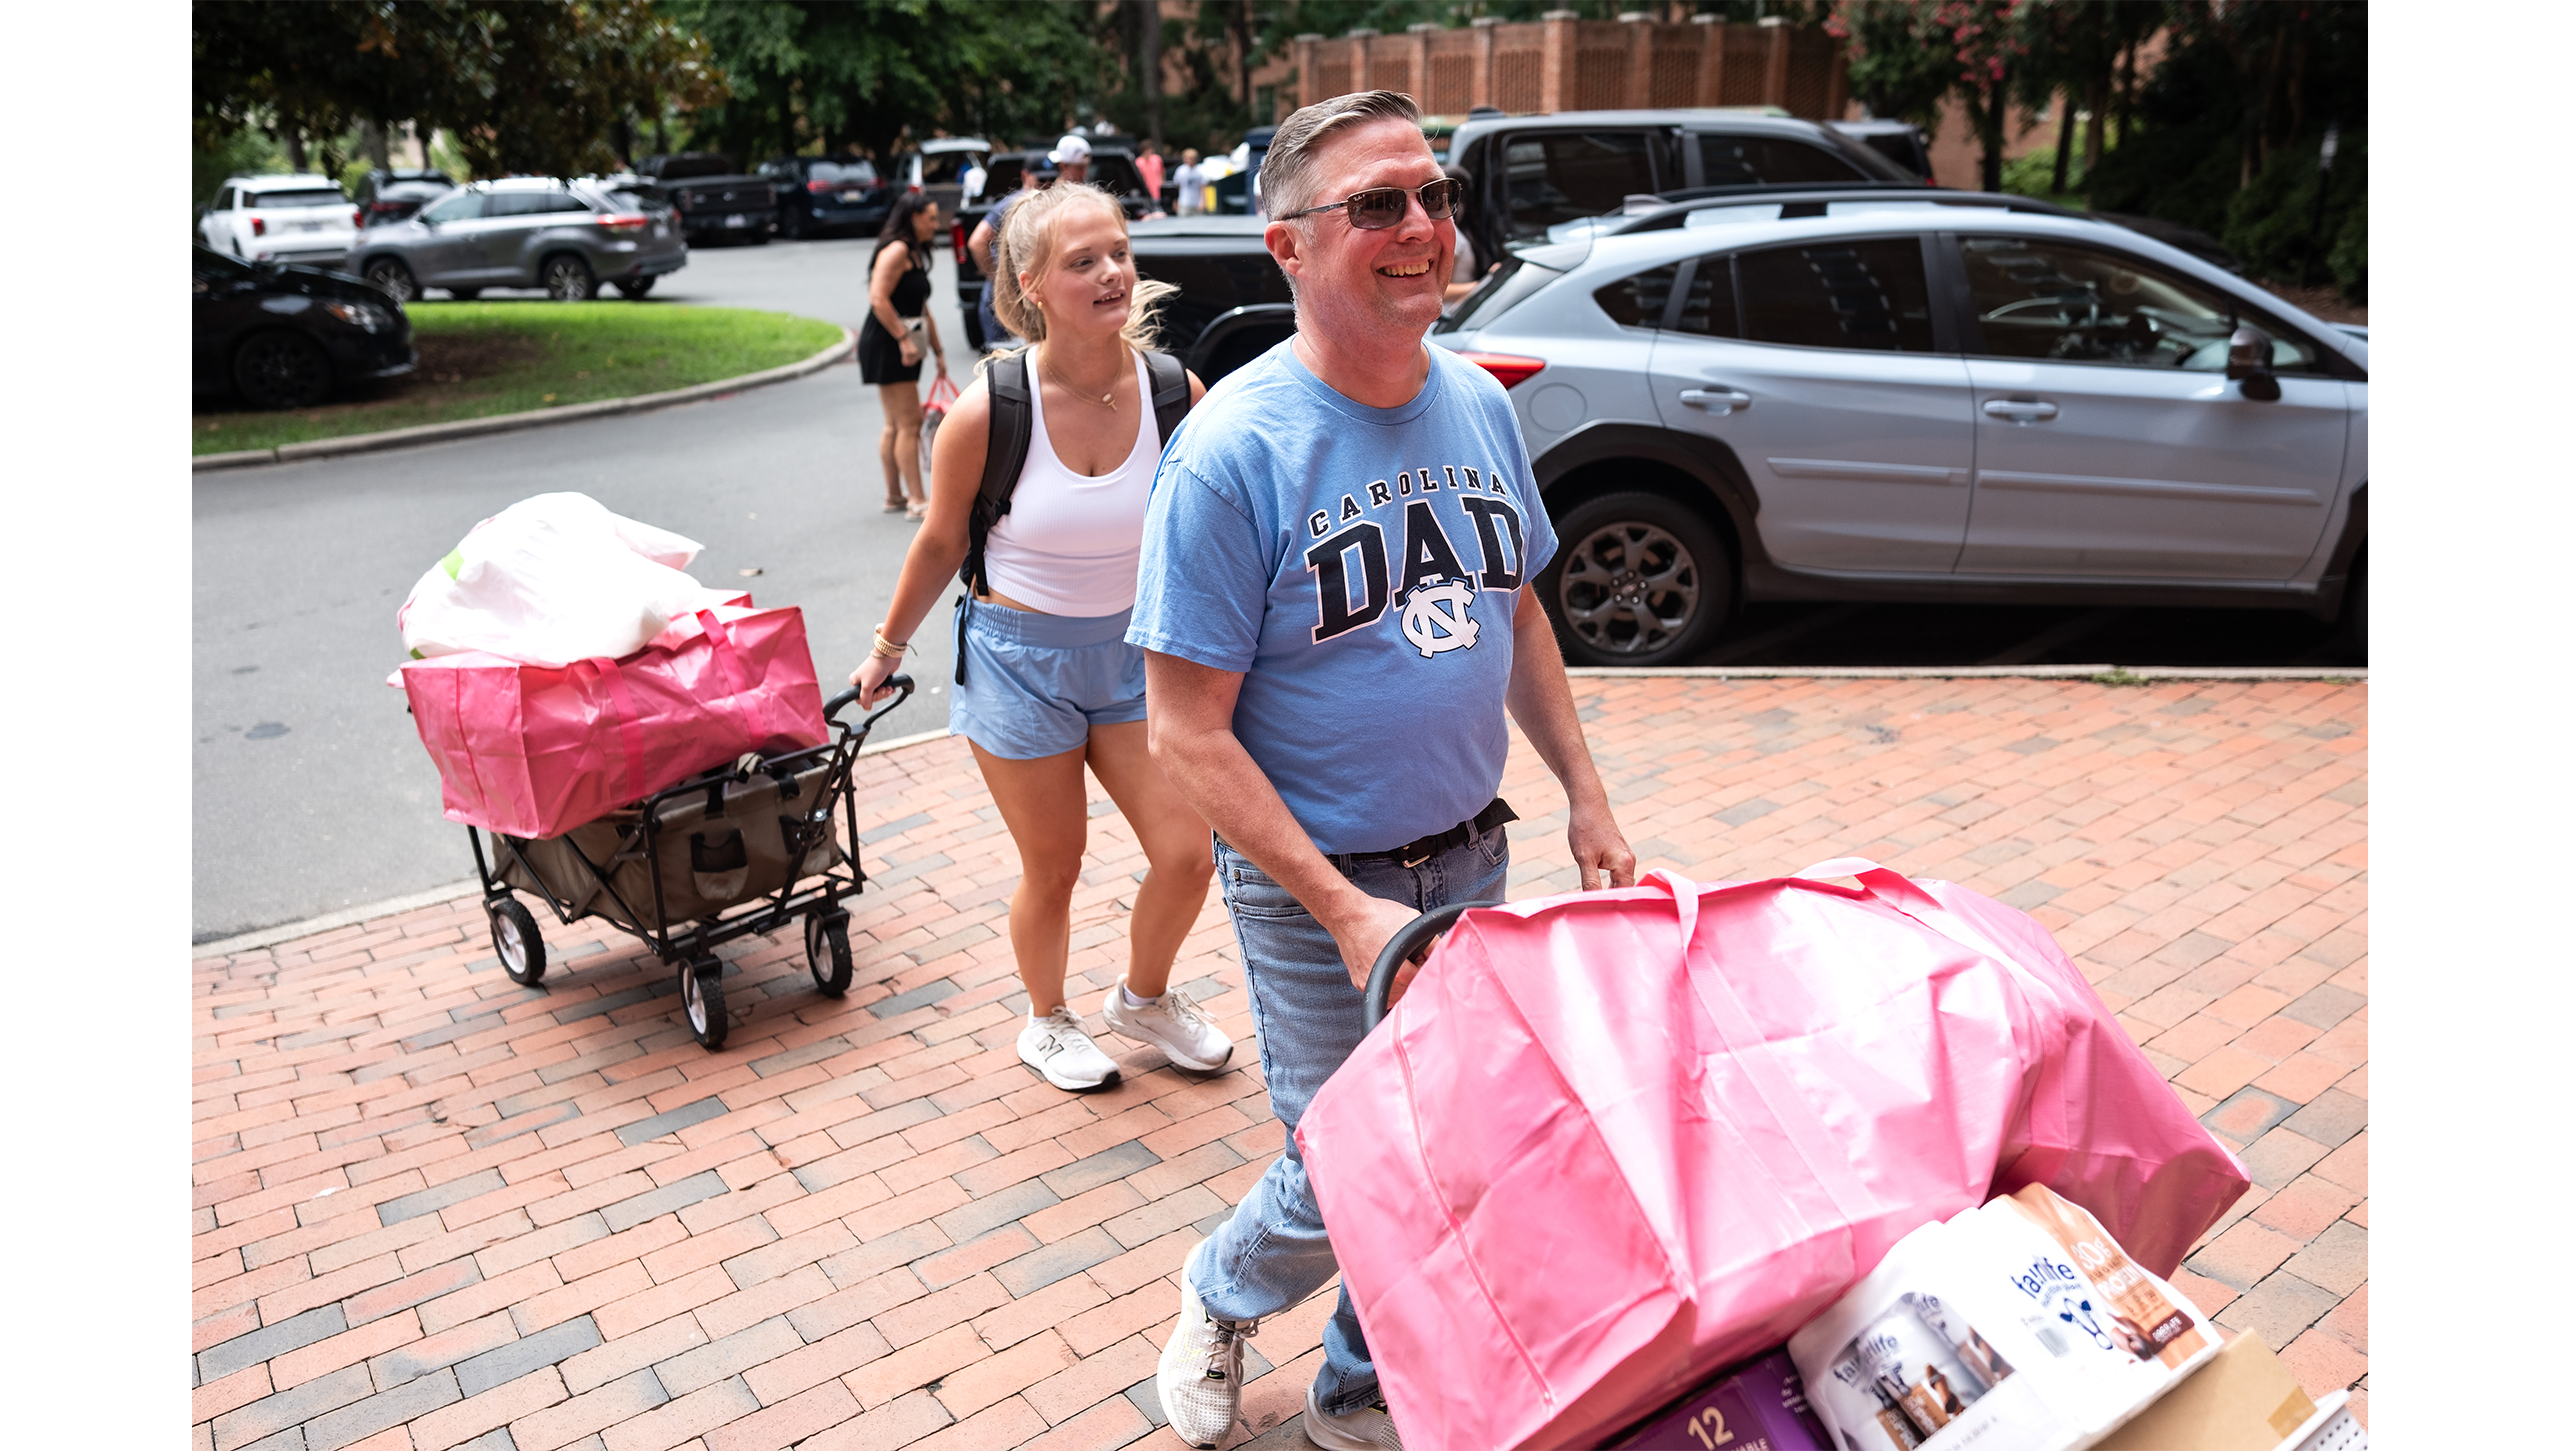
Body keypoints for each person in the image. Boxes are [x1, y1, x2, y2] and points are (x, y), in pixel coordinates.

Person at [1132, 91, 1635, 1451]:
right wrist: (1347, 909)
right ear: (1289, 245)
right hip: (1318, 879)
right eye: (1378, 204)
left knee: (1454, 1135)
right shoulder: (1233, 450)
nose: (1422, 227)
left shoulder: (1474, 399)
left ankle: (1360, 1381)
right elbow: (1184, 726)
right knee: (1356, 1153)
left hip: (1474, 848)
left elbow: (1516, 605)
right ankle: (1223, 1288)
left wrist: (1585, 791)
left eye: (1435, 195)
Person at [849, 179, 1231, 1095]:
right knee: (1055, 864)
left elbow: (1219, 527)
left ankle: (1143, 999)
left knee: (1188, 850)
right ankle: (1047, 1020)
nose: (1111, 274)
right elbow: (941, 539)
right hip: (1020, 661)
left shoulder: (1179, 393)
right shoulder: (990, 411)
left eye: (1118, 254)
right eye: (1082, 261)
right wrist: (887, 647)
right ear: (1030, 282)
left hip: (1139, 655)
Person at [857, 191, 947, 519]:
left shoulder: (914, 252)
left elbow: (922, 307)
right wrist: (903, 340)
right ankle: (917, 500)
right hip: (888, 341)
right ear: (913, 217)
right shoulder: (896, 250)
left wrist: (938, 350)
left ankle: (895, 495)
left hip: (904, 338)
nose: (936, 224)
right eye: (931, 218)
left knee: (895, 423)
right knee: (909, 421)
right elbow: (877, 297)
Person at [971, 135, 1092, 349]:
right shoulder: (1014, 204)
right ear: (1025, 176)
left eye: (1049, 180)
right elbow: (977, 241)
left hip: (1031, 302)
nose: (1045, 186)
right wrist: (998, 279)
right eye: (1039, 181)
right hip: (1005, 307)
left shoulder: (1049, 205)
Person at [1172, 147, 1207, 216]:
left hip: (1196, 203)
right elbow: (1177, 187)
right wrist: (1175, 201)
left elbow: (1203, 187)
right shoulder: (1180, 171)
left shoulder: (1200, 170)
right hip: (1184, 203)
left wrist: (1203, 202)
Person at [1136, 138, 1165, 203]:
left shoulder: (1157, 159)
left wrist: (1161, 183)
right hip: (1145, 192)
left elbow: (1161, 173)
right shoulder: (1138, 162)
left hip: (1156, 191)